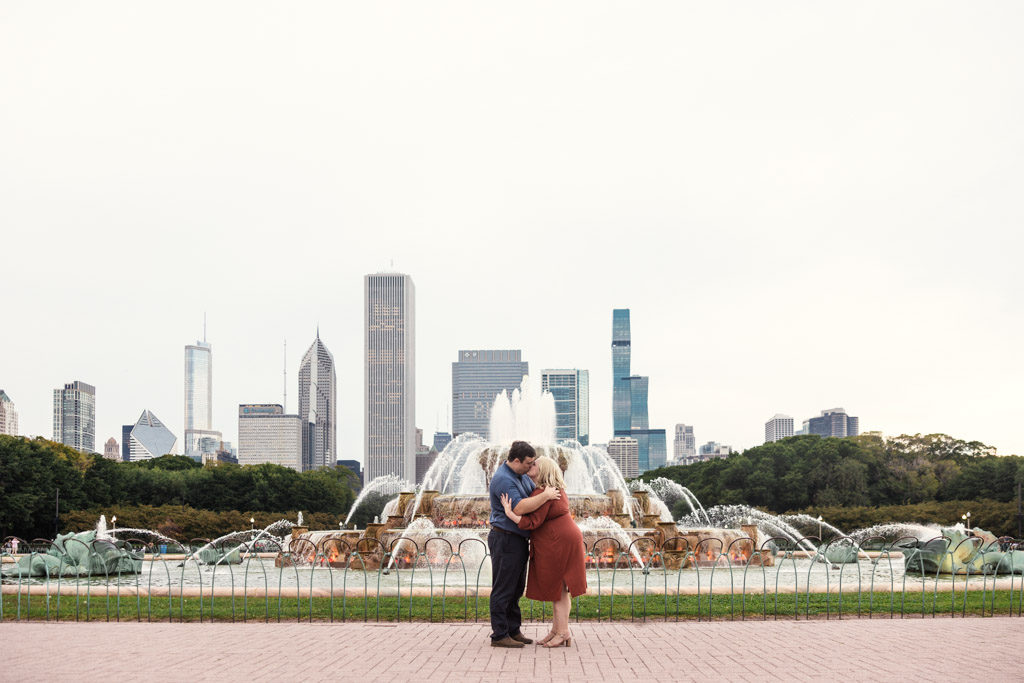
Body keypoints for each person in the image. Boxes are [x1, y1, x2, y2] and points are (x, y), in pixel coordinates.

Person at [501, 455, 587, 648]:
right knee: (561, 587)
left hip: (558, 540)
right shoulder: (551, 490)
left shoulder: (546, 492)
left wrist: (510, 514)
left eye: (535, 464)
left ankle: (563, 632)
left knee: (559, 588)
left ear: (543, 470)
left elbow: (532, 522)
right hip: (562, 537)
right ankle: (557, 630)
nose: (531, 465)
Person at [487, 440, 560, 648]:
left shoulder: (520, 475)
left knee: (516, 587)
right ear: (516, 460)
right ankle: (500, 635)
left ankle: (513, 630)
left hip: (517, 539)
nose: (531, 466)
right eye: (528, 463)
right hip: (505, 538)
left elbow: (532, 495)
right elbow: (519, 508)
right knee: (503, 587)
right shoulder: (503, 479)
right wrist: (546, 496)